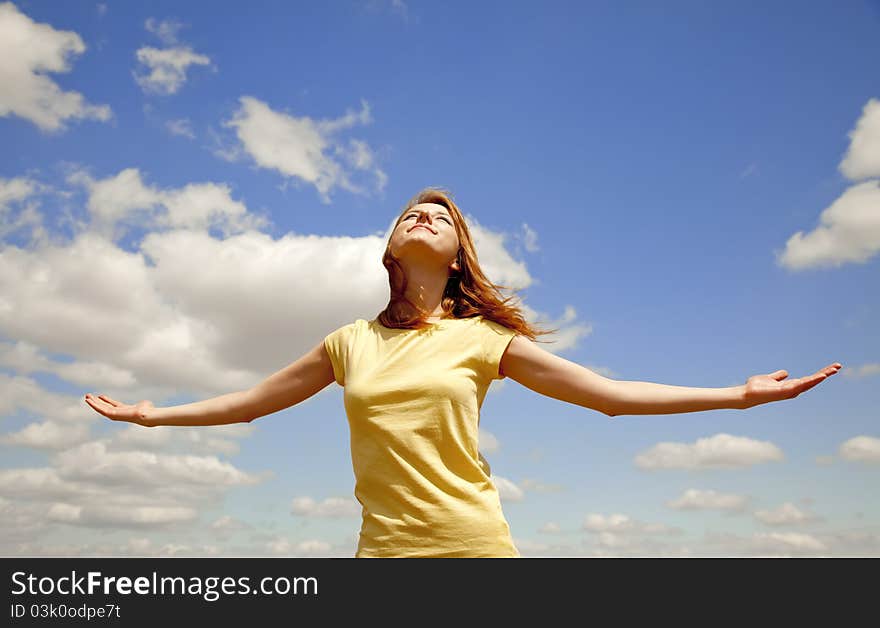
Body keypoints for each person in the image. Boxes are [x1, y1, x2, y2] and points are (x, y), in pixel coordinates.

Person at [84, 187, 842, 558]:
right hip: (381, 555)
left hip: (473, 548)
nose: (421, 214)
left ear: (456, 257)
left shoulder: (483, 340)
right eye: (411, 211)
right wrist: (151, 415)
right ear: (390, 247)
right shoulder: (348, 342)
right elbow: (250, 404)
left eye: (439, 216)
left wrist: (739, 398)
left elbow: (609, 398)